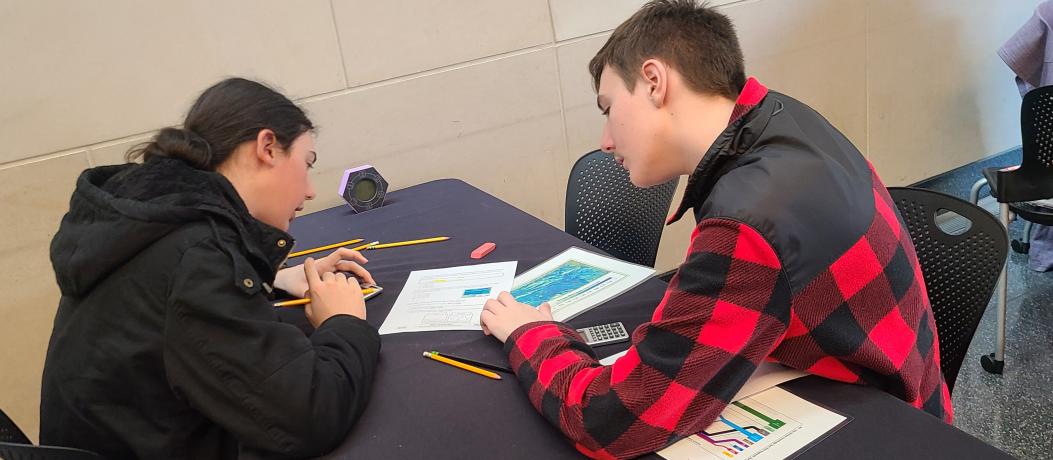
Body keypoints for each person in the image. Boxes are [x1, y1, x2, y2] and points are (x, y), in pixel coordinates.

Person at [479, 1, 951, 458]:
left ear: (653, 81)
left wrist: (533, 333)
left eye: (608, 108)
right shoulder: (786, 120)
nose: (605, 141)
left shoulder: (749, 219)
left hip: (882, 430)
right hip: (913, 404)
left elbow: (609, 422)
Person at [41, 77, 380, 459]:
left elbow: (162, 310)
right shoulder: (197, 259)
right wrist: (345, 322)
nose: (310, 190)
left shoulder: (159, 218)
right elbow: (310, 415)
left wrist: (272, 280)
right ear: (267, 147)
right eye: (306, 163)